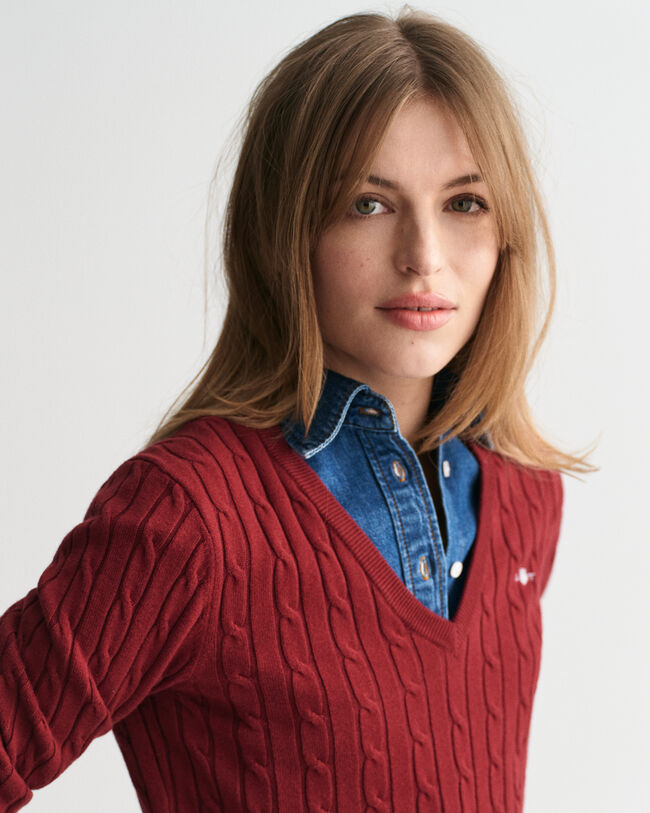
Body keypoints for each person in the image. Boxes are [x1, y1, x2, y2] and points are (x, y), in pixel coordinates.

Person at [0, 8, 594, 812]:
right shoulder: (188, 516)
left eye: (465, 204)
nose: (424, 257)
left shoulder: (523, 493)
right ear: (285, 231)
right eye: (368, 204)